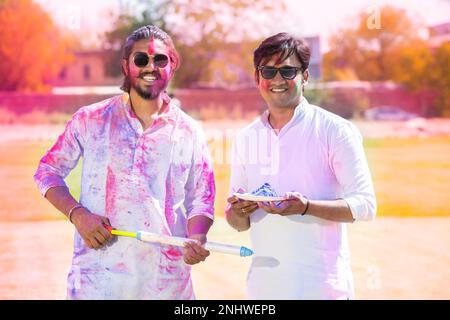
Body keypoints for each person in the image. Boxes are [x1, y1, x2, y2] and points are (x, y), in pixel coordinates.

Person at [34, 25, 215, 299]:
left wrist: (198, 236)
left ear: (173, 63)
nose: (150, 66)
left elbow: (203, 198)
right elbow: (47, 171)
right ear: (126, 65)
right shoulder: (90, 119)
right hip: (98, 282)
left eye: (160, 59)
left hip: (166, 284)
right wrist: (78, 215)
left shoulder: (190, 131)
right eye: (141, 59)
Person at [226, 33, 376, 299]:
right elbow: (238, 223)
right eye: (268, 71)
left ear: (305, 76)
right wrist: (239, 210)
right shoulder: (245, 138)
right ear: (257, 77)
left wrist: (306, 207)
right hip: (264, 290)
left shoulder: (335, 130)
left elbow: (365, 206)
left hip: (321, 288)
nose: (277, 80)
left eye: (288, 71)